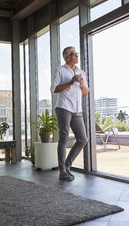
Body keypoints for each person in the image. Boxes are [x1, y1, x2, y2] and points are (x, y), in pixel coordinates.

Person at [50, 46, 89, 181]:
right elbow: (54, 89)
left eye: (77, 53)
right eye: (74, 54)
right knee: (64, 138)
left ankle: (67, 165)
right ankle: (62, 171)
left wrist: (82, 84)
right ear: (67, 58)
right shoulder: (60, 70)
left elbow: (85, 92)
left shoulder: (81, 72)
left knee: (83, 139)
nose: (77, 55)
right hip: (64, 107)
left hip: (77, 109)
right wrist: (71, 82)